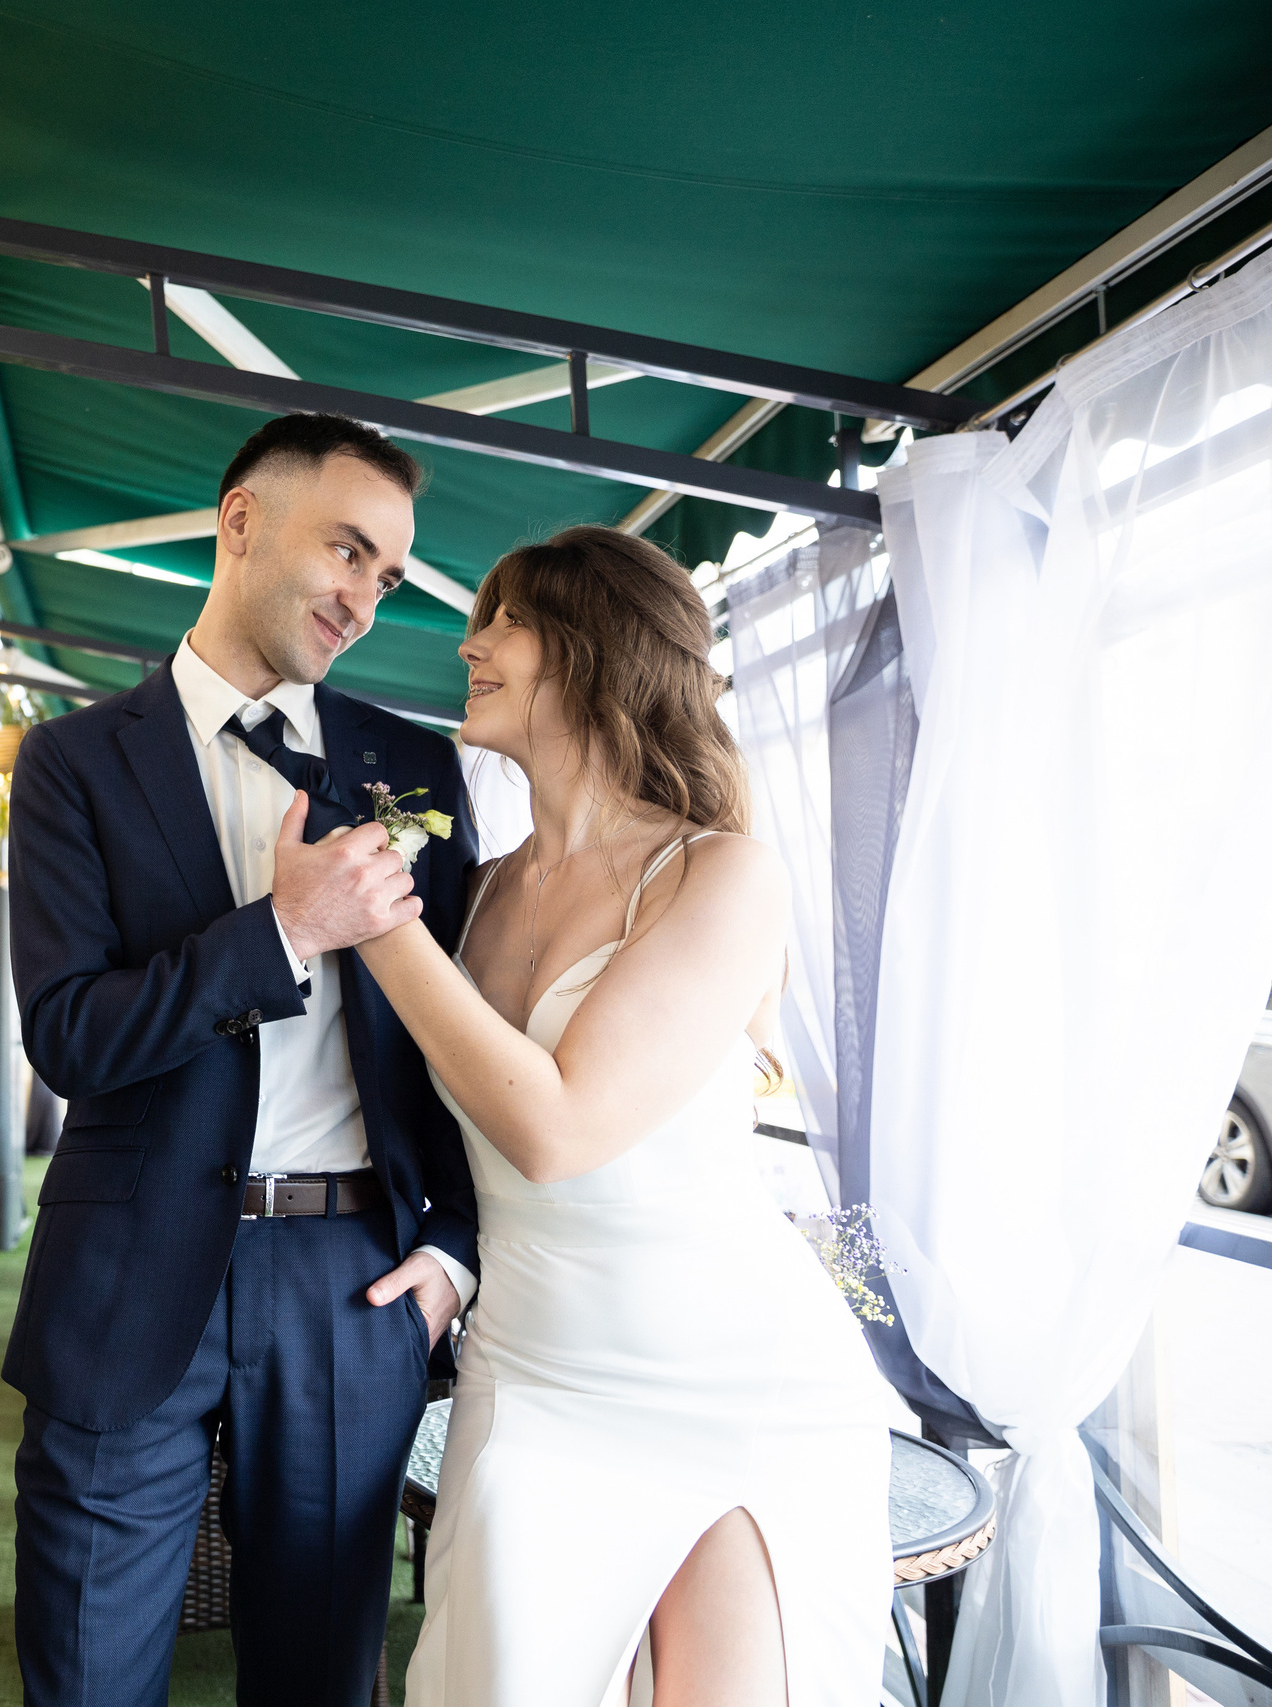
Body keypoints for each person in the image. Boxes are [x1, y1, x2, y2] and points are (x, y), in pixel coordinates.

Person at [316, 525, 893, 1707]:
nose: (469, 645)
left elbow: (559, 1129)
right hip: (531, 1375)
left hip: (735, 1382)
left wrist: (371, 922)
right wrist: (443, 1254)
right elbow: (448, 1121)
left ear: (596, 651)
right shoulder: (474, 888)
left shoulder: (720, 873)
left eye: (507, 621)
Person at [6, 412, 480, 1707]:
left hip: (352, 1287)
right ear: (240, 522)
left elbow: (465, 1032)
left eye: (387, 575)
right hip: (123, 1272)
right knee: (86, 1676)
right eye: (347, 550)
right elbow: (68, 1034)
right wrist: (283, 930)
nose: (365, 599)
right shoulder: (72, 763)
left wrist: (451, 1250)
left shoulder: (414, 766)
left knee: (320, 1680)